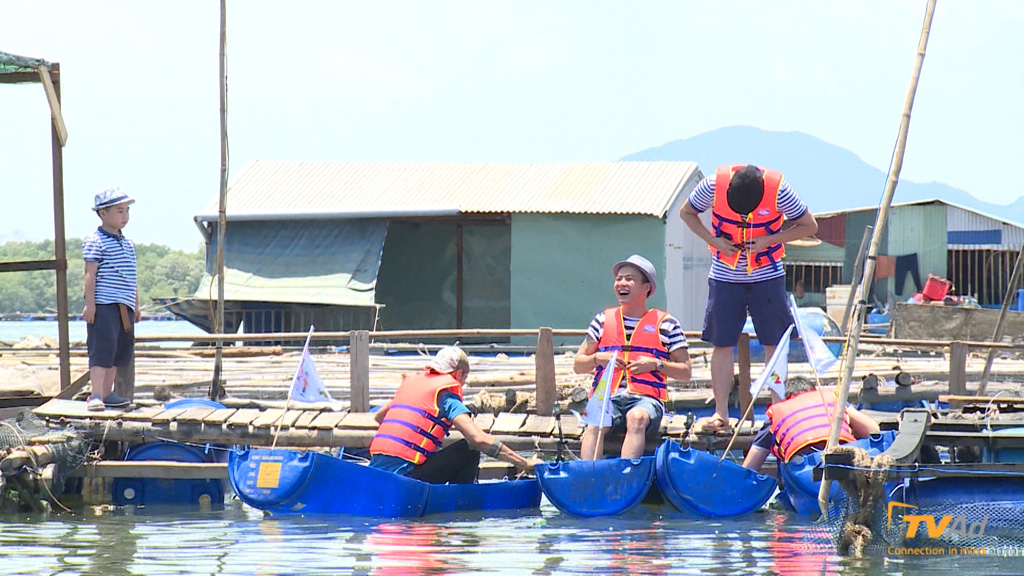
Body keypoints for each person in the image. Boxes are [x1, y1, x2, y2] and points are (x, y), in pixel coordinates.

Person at [679, 164, 818, 433]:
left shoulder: (779, 189)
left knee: (774, 344)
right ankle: (720, 413)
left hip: (767, 275)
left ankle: (777, 411)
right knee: (722, 342)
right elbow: (687, 212)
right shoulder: (711, 185)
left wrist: (771, 239)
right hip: (724, 275)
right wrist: (714, 240)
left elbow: (809, 225)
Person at [573, 254, 692, 460]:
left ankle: (627, 475)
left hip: (646, 401)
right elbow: (578, 364)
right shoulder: (602, 320)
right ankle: (589, 475)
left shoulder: (667, 324)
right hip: (607, 397)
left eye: (629, 279)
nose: (621, 283)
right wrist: (597, 358)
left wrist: (656, 364)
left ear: (647, 287)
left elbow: (686, 371)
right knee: (595, 421)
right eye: (619, 279)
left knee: (635, 418)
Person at [369, 346, 543, 484]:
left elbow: (379, 417)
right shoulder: (446, 396)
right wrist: (525, 463)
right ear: (459, 374)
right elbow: (478, 439)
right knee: (469, 449)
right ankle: (461, 501)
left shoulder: (411, 386)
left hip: (376, 472)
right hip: (406, 479)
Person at [742, 376, 880, 472]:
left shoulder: (777, 416)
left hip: (804, 470)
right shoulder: (832, 400)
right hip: (845, 460)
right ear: (814, 392)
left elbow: (749, 468)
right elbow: (873, 430)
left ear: (786, 398)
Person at [82, 187, 140, 411]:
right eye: (119, 211)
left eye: (126, 211)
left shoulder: (128, 244)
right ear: (103, 213)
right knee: (102, 349)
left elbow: (131, 276)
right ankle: (96, 393)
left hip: (123, 305)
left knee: (119, 351)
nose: (124, 216)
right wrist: (90, 303)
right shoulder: (95, 240)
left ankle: (108, 392)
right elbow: (90, 273)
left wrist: (135, 304)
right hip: (105, 304)